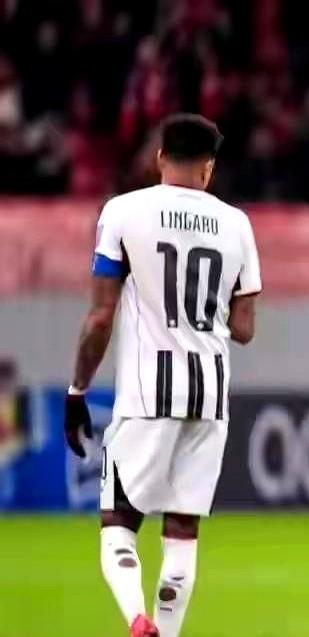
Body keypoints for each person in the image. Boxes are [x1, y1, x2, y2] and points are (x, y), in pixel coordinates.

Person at [63, 113, 261, 637]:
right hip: (210, 395)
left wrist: (78, 389)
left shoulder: (124, 212)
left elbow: (100, 317)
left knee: (119, 524)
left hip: (148, 393)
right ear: (209, 168)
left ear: (158, 158)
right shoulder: (237, 224)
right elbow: (244, 329)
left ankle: (136, 619)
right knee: (182, 530)